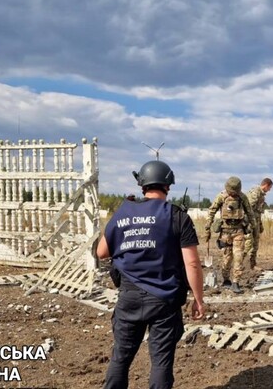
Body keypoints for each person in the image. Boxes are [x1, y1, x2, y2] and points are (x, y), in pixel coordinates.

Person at [97, 160, 205, 389]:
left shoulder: (123, 212)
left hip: (128, 298)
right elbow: (192, 264)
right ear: (168, 185)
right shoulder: (177, 216)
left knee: (121, 358)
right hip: (164, 300)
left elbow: (101, 252)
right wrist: (198, 299)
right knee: (161, 363)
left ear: (142, 185)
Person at [204, 176, 255, 294]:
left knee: (238, 257)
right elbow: (211, 211)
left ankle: (236, 282)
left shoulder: (242, 197)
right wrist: (207, 228)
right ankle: (226, 279)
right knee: (227, 258)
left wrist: (254, 227)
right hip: (225, 232)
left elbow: (250, 212)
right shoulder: (221, 196)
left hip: (238, 231)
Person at [244, 177, 273, 269]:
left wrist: (259, 225)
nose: (269, 190)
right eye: (270, 188)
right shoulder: (255, 193)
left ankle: (252, 264)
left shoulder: (261, 195)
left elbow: (258, 211)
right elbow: (248, 209)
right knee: (248, 243)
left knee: (255, 243)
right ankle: (239, 262)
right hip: (249, 222)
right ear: (266, 185)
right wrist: (248, 224)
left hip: (255, 222)